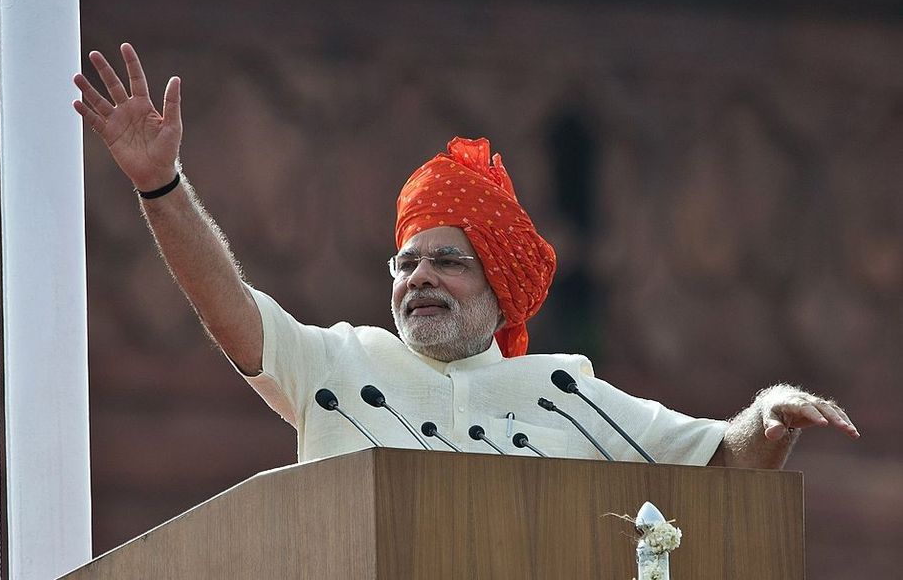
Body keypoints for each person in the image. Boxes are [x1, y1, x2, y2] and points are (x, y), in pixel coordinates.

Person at [73, 43, 859, 468]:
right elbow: (227, 306)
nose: (417, 276)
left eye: (444, 260)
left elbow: (719, 460)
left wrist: (769, 415)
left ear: (497, 283)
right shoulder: (337, 364)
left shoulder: (567, 393)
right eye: (406, 263)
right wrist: (161, 186)